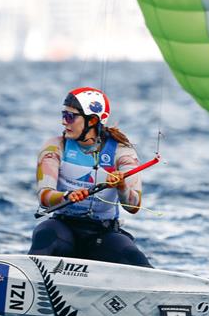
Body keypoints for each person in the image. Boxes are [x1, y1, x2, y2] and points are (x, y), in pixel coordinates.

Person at [28, 87, 152, 267]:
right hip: (63, 229)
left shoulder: (122, 152)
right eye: (63, 114)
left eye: (70, 116)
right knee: (44, 235)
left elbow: (133, 206)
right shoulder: (55, 147)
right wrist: (66, 196)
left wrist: (122, 185)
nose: (64, 122)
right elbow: (44, 196)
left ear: (92, 120)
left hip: (103, 235)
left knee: (133, 256)